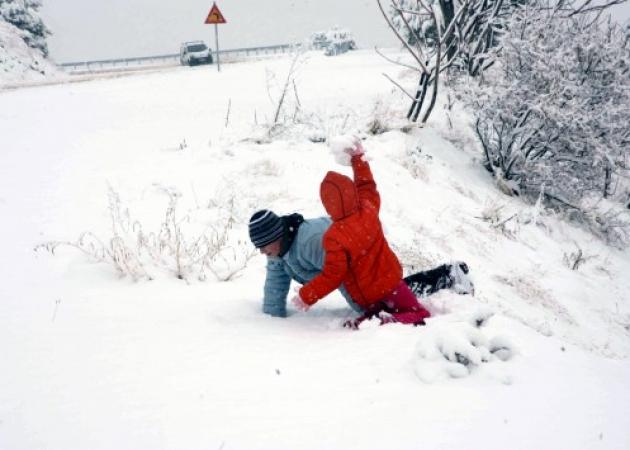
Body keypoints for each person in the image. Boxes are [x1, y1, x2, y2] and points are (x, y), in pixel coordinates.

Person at [248, 141, 474, 327]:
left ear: (276, 238)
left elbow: (337, 274)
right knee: (392, 289)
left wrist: (360, 305)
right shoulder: (280, 251)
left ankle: (450, 275)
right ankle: (443, 278)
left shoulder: (315, 241)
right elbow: (367, 187)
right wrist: (271, 318)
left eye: (264, 247)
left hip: (363, 269)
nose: (262, 252)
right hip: (374, 264)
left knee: (393, 296)